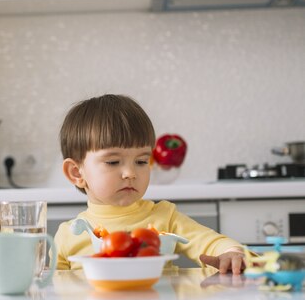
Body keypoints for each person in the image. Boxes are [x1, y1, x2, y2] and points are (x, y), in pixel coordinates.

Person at [54, 94, 246, 274]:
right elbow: (53, 294)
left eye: (141, 161)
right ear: (76, 172)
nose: (130, 173)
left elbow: (210, 242)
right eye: (113, 162)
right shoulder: (67, 235)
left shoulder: (165, 217)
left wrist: (231, 252)